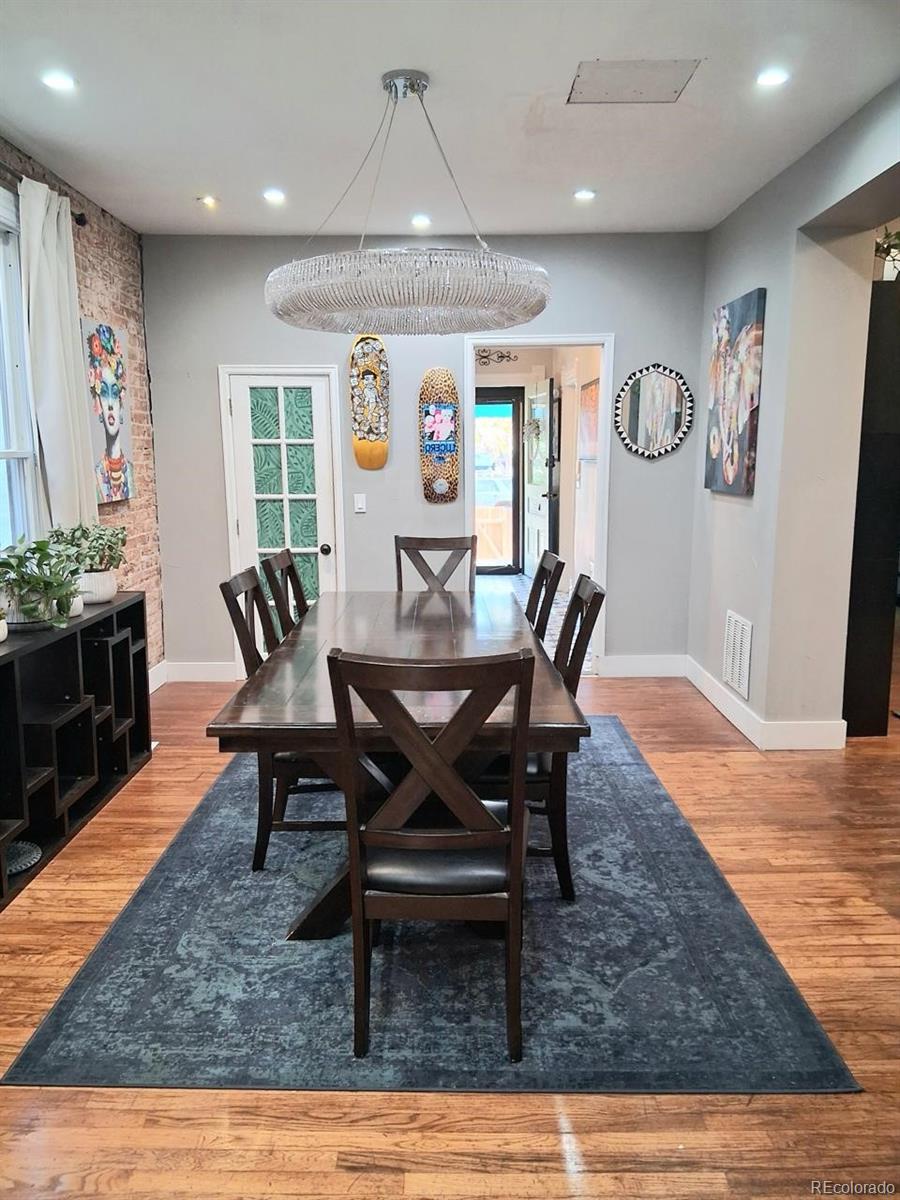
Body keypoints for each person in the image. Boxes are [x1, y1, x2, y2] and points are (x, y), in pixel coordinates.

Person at [86, 324, 135, 502]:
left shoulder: (128, 471)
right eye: (104, 394)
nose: (111, 406)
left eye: (114, 393)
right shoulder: (97, 475)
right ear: (98, 403)